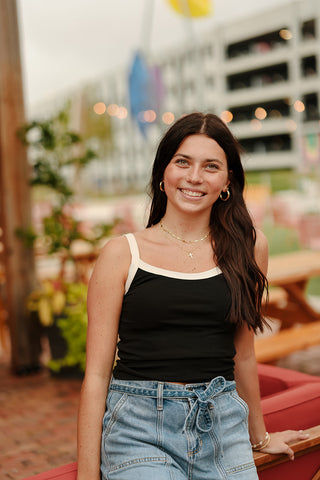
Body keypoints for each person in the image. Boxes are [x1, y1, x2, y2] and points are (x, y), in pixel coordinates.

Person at [77, 112, 308, 480]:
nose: (195, 177)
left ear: (227, 181)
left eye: (211, 166)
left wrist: (259, 436)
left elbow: (244, 353)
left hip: (222, 425)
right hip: (138, 429)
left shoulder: (250, 247)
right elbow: (96, 375)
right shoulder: (122, 254)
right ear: (162, 173)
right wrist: (87, 476)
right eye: (182, 161)